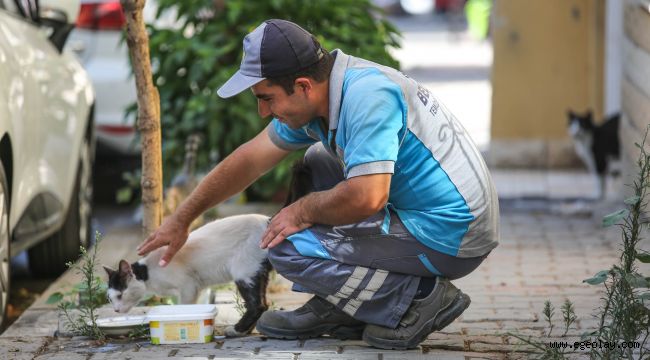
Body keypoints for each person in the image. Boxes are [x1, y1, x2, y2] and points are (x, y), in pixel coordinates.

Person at [137, 19, 499, 349]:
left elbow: (368, 196)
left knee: (284, 245)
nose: (264, 111)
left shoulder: (367, 97)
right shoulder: (325, 95)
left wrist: (302, 210)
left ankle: (416, 298)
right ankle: (347, 301)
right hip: (436, 214)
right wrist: (182, 219)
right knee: (317, 163)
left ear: (302, 86)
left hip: (454, 234)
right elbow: (249, 159)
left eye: (266, 98)